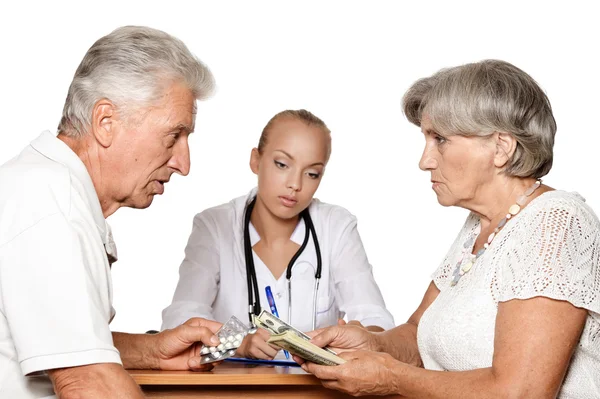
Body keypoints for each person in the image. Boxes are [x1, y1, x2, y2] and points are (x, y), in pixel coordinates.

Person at [299, 60, 600, 398]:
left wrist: (393, 378)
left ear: (501, 147)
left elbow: (523, 391)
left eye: (440, 139)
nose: (425, 160)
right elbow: (419, 334)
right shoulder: (482, 225)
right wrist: (375, 343)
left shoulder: (554, 223)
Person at [0, 26, 224, 399]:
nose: (183, 164)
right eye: (174, 135)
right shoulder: (50, 204)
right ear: (106, 122)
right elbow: (87, 382)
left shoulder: (45, 186)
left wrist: (153, 351)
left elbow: (55, 339)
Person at [161, 109, 395, 360]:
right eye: (282, 164)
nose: (295, 184)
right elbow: (180, 323)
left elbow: (376, 321)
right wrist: (237, 342)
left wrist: (363, 338)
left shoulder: (336, 226)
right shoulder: (214, 225)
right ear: (256, 160)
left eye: (312, 173)